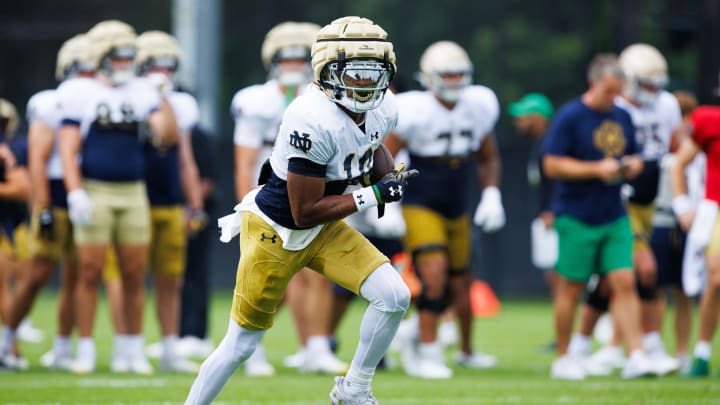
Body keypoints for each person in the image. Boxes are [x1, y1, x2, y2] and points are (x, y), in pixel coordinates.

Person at [185, 16, 415, 405]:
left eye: (374, 72)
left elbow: (371, 145)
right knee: (240, 345)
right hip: (277, 230)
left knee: (394, 296)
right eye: (355, 73)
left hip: (325, 227)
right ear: (328, 70)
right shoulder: (310, 116)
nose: (366, 83)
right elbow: (304, 210)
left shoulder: (384, 107)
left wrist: (388, 175)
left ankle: (354, 389)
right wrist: (373, 195)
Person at [58, 19, 178, 374]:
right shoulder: (80, 93)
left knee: (133, 271)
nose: (126, 65)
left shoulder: (142, 91)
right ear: (102, 58)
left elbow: (167, 136)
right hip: (95, 190)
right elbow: (68, 149)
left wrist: (162, 96)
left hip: (133, 192)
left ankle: (132, 349)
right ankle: (86, 348)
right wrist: (75, 191)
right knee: (90, 271)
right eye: (119, 58)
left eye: (130, 58)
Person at [231, 21, 348, 376]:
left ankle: (315, 346)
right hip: (271, 194)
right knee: (265, 276)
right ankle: (249, 349)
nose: (295, 64)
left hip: (316, 190)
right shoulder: (256, 101)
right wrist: (244, 205)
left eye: (303, 57)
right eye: (288, 57)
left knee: (317, 273)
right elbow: (245, 160)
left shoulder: (328, 98)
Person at [383, 40, 502, 379]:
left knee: (462, 280)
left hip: (458, 201)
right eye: (446, 75)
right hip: (421, 200)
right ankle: (429, 350)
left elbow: (488, 155)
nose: (453, 81)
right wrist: (387, 203)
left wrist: (492, 194)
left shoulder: (478, 105)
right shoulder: (413, 109)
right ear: (430, 77)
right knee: (432, 274)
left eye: (458, 74)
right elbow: (385, 157)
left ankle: (466, 350)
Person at [543, 53, 655, 380]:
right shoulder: (570, 116)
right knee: (571, 289)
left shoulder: (623, 116)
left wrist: (631, 165)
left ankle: (635, 355)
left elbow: (629, 153)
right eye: (609, 90)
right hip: (576, 216)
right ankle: (563, 358)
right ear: (593, 83)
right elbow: (551, 164)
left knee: (624, 281)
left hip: (614, 214)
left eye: (618, 91)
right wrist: (595, 169)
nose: (614, 97)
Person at [572, 44, 681, 376]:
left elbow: (674, 146)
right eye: (643, 84)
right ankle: (645, 346)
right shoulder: (614, 108)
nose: (650, 92)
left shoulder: (667, 105)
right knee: (639, 271)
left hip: (652, 198)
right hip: (621, 198)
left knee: (611, 282)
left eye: (655, 84)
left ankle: (595, 347)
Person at [0, 34, 95, 371]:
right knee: (38, 274)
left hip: (86, 193)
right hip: (55, 196)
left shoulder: (103, 97)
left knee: (76, 275)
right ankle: (6, 339)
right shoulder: (51, 102)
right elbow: (39, 159)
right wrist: (41, 207)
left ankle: (62, 348)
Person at [128, 29, 205, 373]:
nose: (163, 72)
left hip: (170, 200)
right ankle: (129, 347)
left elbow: (183, 153)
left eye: (168, 65)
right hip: (136, 197)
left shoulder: (180, 103)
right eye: (155, 65)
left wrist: (195, 202)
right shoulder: (128, 97)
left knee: (171, 278)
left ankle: (170, 348)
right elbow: (159, 134)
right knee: (131, 276)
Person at [670, 80, 720, 377]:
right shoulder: (708, 119)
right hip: (716, 208)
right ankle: (702, 352)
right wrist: (682, 205)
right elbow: (679, 165)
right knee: (716, 277)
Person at [650, 90, 701, 374]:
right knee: (656, 290)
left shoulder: (696, 147)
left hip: (688, 224)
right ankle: (655, 348)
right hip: (660, 221)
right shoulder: (657, 144)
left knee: (684, 291)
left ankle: (682, 351)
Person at [508, 93, 557, 297]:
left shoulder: (552, 143)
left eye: (523, 116)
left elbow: (558, 181)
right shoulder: (540, 144)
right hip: (545, 217)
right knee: (552, 275)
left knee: (560, 275)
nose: (517, 122)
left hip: (555, 218)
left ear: (538, 118)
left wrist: (551, 210)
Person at [0, 98, 31, 369]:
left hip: (7, 227)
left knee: (6, 286)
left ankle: (10, 349)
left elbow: (22, 186)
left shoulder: (12, 150)